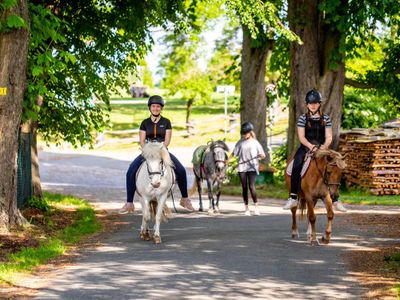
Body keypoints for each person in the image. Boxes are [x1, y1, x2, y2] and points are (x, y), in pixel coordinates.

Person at [119, 95, 194, 214]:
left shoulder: (166, 122)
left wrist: (161, 151)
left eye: (158, 106)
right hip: (148, 151)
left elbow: (167, 140)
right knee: (131, 171)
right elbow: (142, 141)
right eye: (153, 106)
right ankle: (129, 203)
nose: (155, 108)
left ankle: (185, 199)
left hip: (162, 150)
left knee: (181, 170)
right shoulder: (144, 123)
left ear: (161, 108)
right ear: (150, 108)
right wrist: (148, 151)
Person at [282, 89, 347, 212]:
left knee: (335, 165)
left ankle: (336, 199)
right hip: (306, 147)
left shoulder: (326, 118)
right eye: (311, 103)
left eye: (316, 103)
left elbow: (329, 136)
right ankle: (293, 197)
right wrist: (311, 146)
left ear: (319, 104)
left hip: (322, 148)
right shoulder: (302, 118)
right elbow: (301, 137)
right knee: (296, 165)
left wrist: (324, 146)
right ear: (307, 104)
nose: (313, 105)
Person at [231, 121, 266, 216]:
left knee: (251, 186)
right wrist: (227, 161)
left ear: (250, 132)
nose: (244, 135)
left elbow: (263, 155)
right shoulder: (240, 142)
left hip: (252, 167)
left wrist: (260, 155)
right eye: (243, 133)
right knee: (244, 187)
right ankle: (246, 208)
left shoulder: (255, 142)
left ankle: (256, 207)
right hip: (242, 167)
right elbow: (234, 153)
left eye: (245, 133)